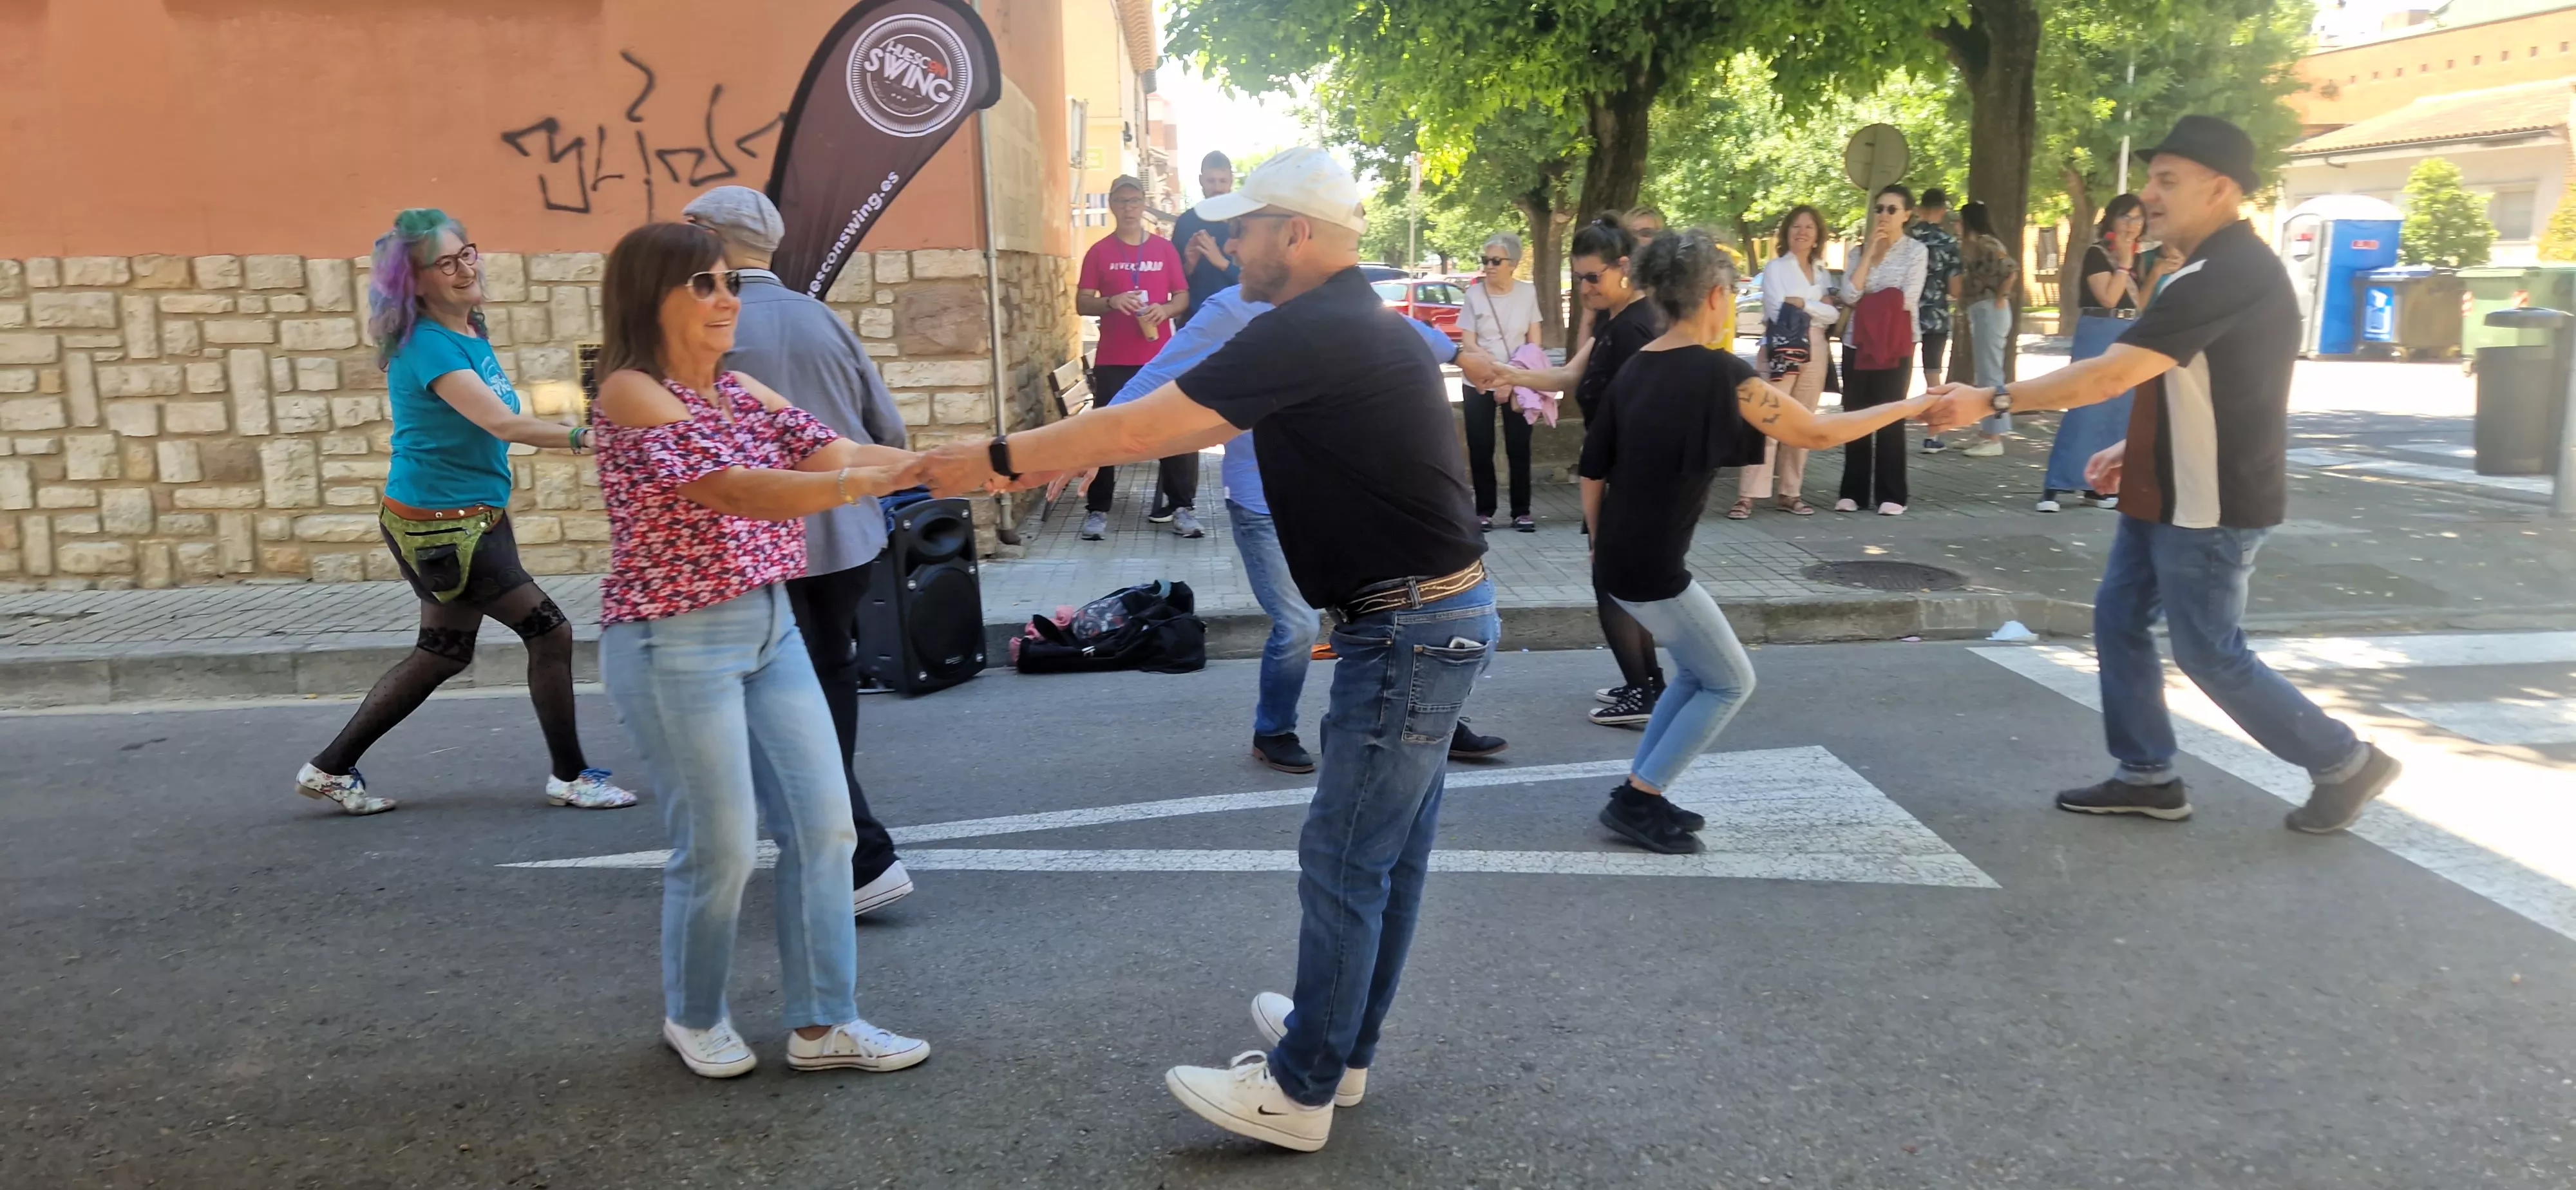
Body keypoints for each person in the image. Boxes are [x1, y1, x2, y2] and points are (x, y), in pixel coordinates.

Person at [911, 147, 1495, 1153]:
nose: (1227, 244)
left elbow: (1145, 429)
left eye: (1246, 228)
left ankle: (1301, 1089)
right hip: (1432, 619)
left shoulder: (1311, 330)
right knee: (1388, 861)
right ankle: (1341, 1050)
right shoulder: (1359, 324)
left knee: (1350, 861)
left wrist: (995, 461)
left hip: (1404, 629)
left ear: (1298, 235)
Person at [1924, 115, 2402, 835]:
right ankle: (2146, 775)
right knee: (2118, 619)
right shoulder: (2201, 271)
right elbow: (2186, 378)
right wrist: (2135, 450)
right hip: (2169, 488)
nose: (2147, 193)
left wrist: (1990, 399)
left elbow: (2112, 372)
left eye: (2166, 181)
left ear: (2221, 190)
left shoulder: (2226, 271)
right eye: (2151, 178)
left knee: (2210, 653)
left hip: (2212, 501)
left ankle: (2344, 762)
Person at [589, 222, 929, 1080]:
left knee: (826, 828)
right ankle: (694, 1014)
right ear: (650, 296)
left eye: (728, 282)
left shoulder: (740, 390)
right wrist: (865, 482)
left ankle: (825, 1024)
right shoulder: (631, 392)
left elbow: (835, 448)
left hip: (770, 628)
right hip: (676, 644)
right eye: (702, 284)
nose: (725, 298)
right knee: (723, 846)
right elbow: (739, 492)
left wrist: (948, 464)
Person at [1106, 229, 1513, 774]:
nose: (1234, 250)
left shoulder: (1335, 308)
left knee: (1419, 616)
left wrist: (1463, 354)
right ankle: (1273, 729)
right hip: (1260, 504)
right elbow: (1161, 373)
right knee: (1298, 625)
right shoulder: (1229, 311)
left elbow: (1394, 327)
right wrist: (1089, 443)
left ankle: (1432, 715)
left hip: (1333, 505)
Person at [1586, 229, 1938, 853]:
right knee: (1729, 682)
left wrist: (1596, 547)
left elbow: (1593, 470)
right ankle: (1639, 800)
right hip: (1651, 566)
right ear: (1718, 297)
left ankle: (1641, 790)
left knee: (1699, 674)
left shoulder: (1636, 367)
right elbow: (1817, 433)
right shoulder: (1721, 373)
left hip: (1620, 556)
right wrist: (1907, 407)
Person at [294, 209, 635, 817]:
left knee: (444, 652)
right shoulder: (427, 344)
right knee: (550, 632)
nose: (463, 269)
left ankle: (329, 768)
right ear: (416, 282)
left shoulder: (469, 329)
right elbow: (502, 422)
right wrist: (592, 437)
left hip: (465, 517)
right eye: (445, 263)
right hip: (446, 526)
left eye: (467, 254)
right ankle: (572, 776)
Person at [681, 186, 914, 918]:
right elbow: (889, 427)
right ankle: (836, 847)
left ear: (707, 238)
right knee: (828, 680)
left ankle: (856, 856)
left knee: (778, 703)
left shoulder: (707, 322)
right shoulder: (821, 318)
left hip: (763, 545)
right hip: (847, 536)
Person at [1495, 216, 1668, 727]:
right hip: (1622, 469)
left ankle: (1642, 691)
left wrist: (1615, 484)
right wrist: (1506, 373)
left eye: (1593, 278)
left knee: (1612, 583)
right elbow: (1571, 375)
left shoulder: (1637, 327)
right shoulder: (1619, 321)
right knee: (1621, 583)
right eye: (1580, 280)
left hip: (1630, 474)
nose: (1586, 288)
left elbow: (1647, 411)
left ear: (1624, 267)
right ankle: (1649, 682)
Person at [1075, 175, 1197, 539]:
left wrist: (1165, 310)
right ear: (1112, 205)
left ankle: (1182, 508)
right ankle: (1097, 511)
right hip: (1114, 358)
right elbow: (1081, 302)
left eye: (1134, 201)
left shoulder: (1163, 249)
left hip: (1160, 359)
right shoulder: (1099, 251)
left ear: (1143, 205)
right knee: (1107, 433)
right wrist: (1111, 302)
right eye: (1122, 201)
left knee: (1175, 431)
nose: (1129, 208)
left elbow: (1182, 297)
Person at [2039, 194, 2169, 512]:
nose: (2132, 225)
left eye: (2138, 219)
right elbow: (2109, 299)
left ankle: (2098, 486)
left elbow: (2136, 304)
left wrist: (2153, 273)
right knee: (2084, 404)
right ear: (2111, 220)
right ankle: (2055, 485)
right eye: (2126, 218)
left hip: (2127, 331)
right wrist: (2124, 262)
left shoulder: (2135, 258)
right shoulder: (2098, 255)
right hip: (2099, 329)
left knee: (2118, 410)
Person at [1731, 205, 1835, 519]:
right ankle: (1747, 495)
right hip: (1782, 347)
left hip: (1816, 347)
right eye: (1796, 227)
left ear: (1817, 236)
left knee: (1803, 421)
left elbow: (1833, 315)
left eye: (1809, 228)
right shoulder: (1776, 268)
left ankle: (1791, 492)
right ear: (1787, 233)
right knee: (1768, 419)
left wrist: (1804, 303)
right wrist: (1818, 305)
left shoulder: (1822, 272)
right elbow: (1778, 310)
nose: (1802, 232)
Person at [1835, 184, 1928, 515]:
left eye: (1892, 210)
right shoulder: (1858, 252)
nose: (1884, 216)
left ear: (1906, 215)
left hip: (1895, 342)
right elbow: (1849, 295)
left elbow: (1906, 299)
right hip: (1857, 340)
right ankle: (1853, 492)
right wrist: (1870, 257)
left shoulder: (1916, 251)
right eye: (1879, 209)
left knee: (1890, 413)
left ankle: (1892, 494)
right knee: (1856, 413)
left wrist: (1869, 297)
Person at [1457, 232, 1545, 532]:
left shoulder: (1527, 294)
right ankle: (1484, 511)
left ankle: (1522, 511)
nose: (1489, 267)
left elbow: (1534, 343)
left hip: (1518, 378)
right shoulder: (1474, 295)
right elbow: (1468, 342)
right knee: (1481, 445)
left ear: (1514, 264)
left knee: (1519, 446)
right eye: (1485, 261)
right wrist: (1494, 375)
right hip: (1479, 380)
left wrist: (1511, 378)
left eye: (1496, 261)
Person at [1953, 200, 2020, 457]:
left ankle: (1995, 437)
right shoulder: (1979, 244)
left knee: (1991, 374)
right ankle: (1986, 432)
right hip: (1983, 310)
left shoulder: (1985, 243)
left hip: (1990, 310)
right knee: (1985, 374)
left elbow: (2011, 268)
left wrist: (2002, 297)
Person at [1910, 188, 1964, 453]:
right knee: (1933, 375)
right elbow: (1955, 289)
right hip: (1936, 316)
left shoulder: (1907, 238)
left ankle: (1888, 429)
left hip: (1904, 315)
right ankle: (1933, 435)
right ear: (1942, 210)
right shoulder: (1949, 243)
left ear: (1920, 209)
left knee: (1899, 373)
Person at [1169, 152, 1242, 327]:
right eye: (1211, 181)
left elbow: (1262, 281)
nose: (1217, 188)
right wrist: (1189, 265)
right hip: (1196, 323)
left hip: (1239, 322)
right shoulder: (1186, 222)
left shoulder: (1244, 220)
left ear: (1231, 180)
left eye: (1222, 181)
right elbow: (1174, 284)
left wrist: (1222, 262)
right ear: (1201, 181)